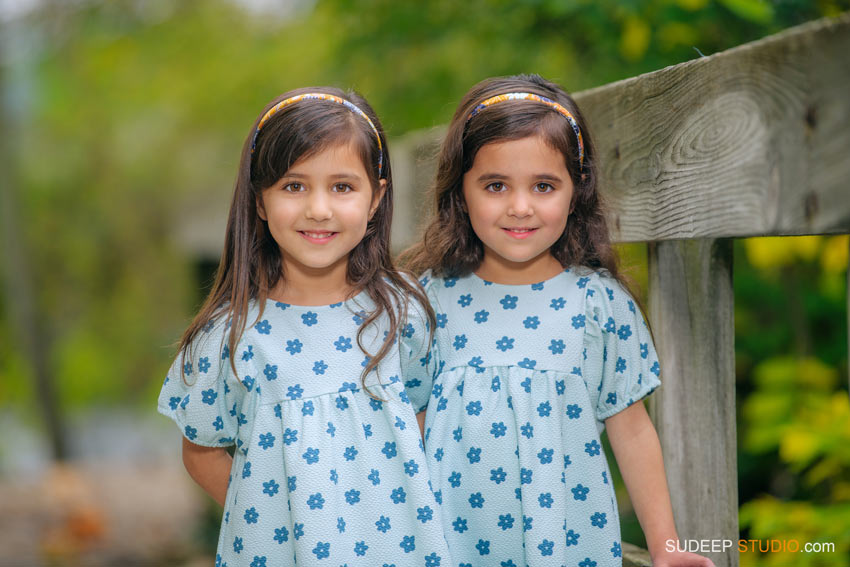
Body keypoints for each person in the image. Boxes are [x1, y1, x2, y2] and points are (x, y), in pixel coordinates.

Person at [401, 75, 713, 567]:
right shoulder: (427, 304)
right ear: (461, 190)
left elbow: (631, 430)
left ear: (576, 190)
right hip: (449, 547)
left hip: (566, 546)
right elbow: (407, 429)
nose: (520, 206)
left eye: (543, 185)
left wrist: (666, 546)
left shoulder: (598, 305)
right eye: (496, 185)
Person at [158, 88, 450, 566]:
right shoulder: (232, 337)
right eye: (294, 186)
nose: (318, 208)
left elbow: (421, 417)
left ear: (376, 199)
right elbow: (202, 452)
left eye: (342, 187)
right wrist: (269, 517)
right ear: (259, 201)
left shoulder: (403, 314)